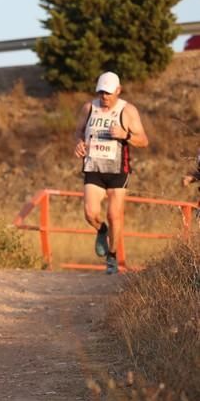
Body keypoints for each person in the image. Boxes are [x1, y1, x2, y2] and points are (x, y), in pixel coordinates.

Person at [73, 71, 149, 274]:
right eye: (100, 92)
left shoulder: (127, 111)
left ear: (118, 90)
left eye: (107, 93)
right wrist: (79, 143)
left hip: (118, 169)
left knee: (114, 214)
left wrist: (126, 135)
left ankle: (112, 257)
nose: (104, 97)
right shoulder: (89, 108)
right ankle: (101, 229)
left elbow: (143, 141)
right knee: (90, 213)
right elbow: (78, 131)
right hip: (94, 167)